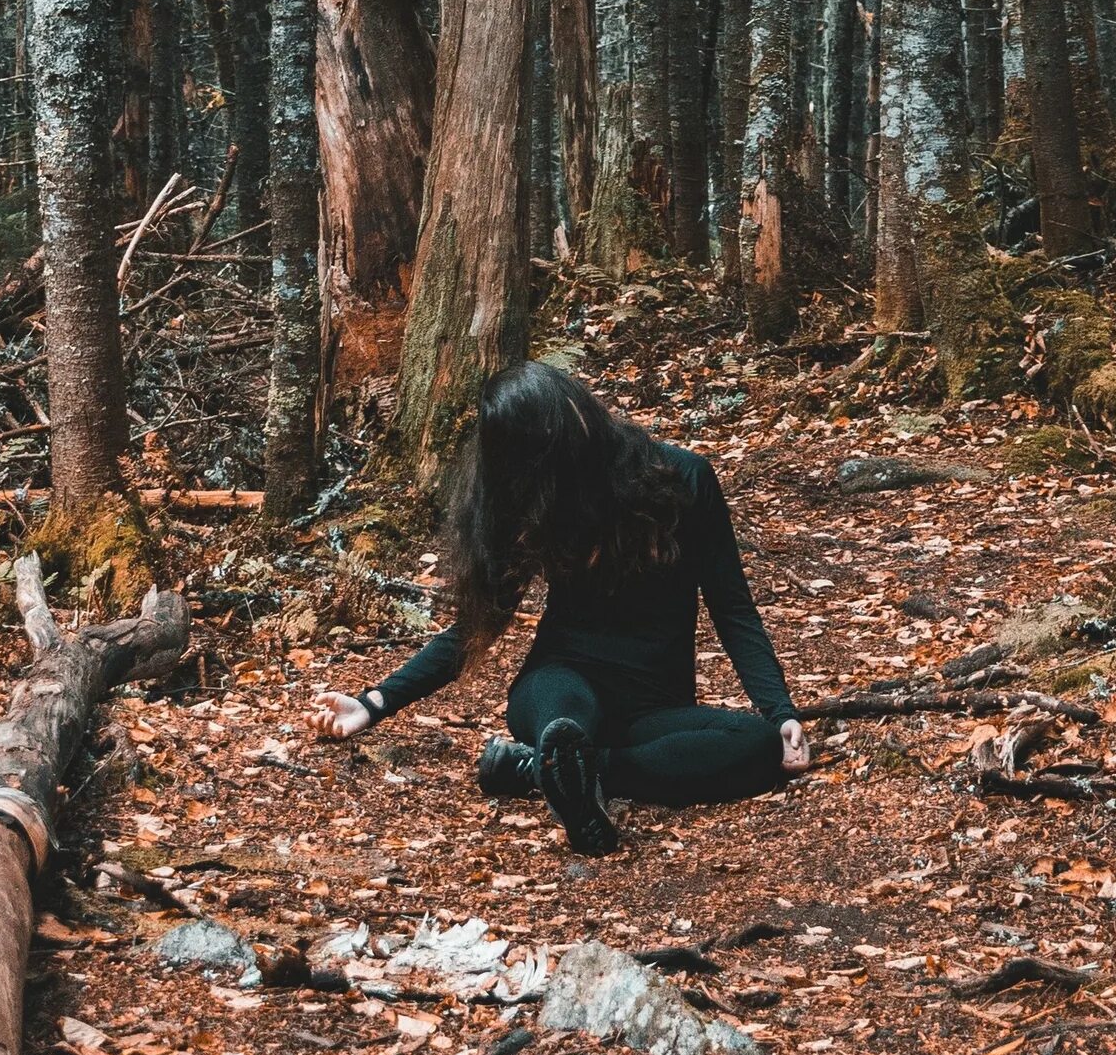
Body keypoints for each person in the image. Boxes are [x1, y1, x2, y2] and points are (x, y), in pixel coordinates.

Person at [302, 362, 809, 852]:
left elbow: (733, 608)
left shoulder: (684, 478)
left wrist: (780, 712)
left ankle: (549, 769)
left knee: (758, 745)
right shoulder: (537, 501)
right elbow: (478, 625)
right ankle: (562, 759)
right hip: (560, 688)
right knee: (562, 721)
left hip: (655, 709)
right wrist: (374, 702)